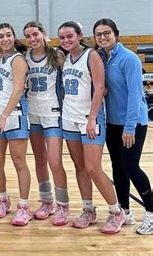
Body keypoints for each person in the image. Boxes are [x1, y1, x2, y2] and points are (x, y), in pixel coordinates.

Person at [58, 21, 126, 234]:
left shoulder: (91, 55)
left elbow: (99, 88)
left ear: (79, 35)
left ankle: (117, 211)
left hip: (90, 118)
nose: (66, 40)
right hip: (69, 118)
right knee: (79, 167)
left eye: (70, 36)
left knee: (93, 168)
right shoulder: (65, 58)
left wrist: (93, 117)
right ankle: (88, 209)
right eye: (62, 38)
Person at [93, 18, 153, 235]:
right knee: (118, 168)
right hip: (112, 123)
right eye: (98, 34)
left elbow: (135, 95)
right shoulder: (101, 58)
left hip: (133, 122)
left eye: (106, 33)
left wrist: (129, 127)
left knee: (130, 166)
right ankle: (125, 211)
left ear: (116, 34)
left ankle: (151, 210)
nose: (103, 37)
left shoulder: (129, 59)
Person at [23, 21, 70, 226]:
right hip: (33, 114)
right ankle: (46, 201)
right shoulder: (24, 58)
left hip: (53, 113)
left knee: (55, 161)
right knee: (40, 160)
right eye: (28, 36)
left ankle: (63, 205)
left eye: (35, 34)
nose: (32, 39)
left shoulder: (56, 55)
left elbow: (70, 79)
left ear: (43, 33)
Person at [0, 23, 32, 226]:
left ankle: (24, 207)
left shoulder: (18, 59)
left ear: (14, 37)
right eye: (1, 36)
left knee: (19, 162)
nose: (5, 39)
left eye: (8, 35)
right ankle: (3, 200)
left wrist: (4, 116)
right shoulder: (0, 59)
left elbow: (18, 90)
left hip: (13, 115)